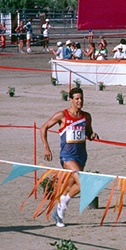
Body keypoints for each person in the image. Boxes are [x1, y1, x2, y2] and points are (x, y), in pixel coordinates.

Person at [40, 87, 99, 227]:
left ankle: (58, 214)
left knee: (70, 187)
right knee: (83, 182)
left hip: (81, 156)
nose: (80, 101)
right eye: (77, 99)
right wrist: (46, 148)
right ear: (71, 100)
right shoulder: (62, 115)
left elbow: (88, 134)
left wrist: (93, 135)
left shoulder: (86, 116)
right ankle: (63, 205)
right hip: (67, 156)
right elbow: (43, 128)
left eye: (81, 98)